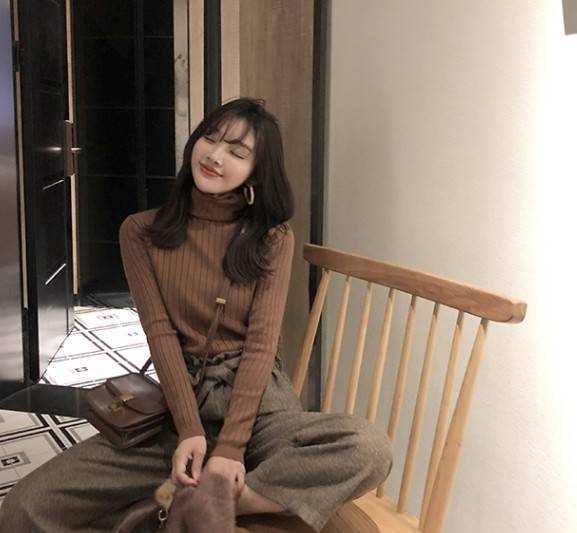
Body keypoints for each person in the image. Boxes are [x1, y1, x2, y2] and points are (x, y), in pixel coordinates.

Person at [0, 97, 392, 532]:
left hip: (259, 412)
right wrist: (190, 430)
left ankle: (203, 505)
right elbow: (160, 334)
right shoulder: (140, 231)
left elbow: (261, 345)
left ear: (255, 172)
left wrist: (231, 448)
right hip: (175, 409)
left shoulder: (272, 238)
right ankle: (193, 501)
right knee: (24, 509)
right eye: (211, 138)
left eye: (237, 152)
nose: (216, 155)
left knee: (368, 447)